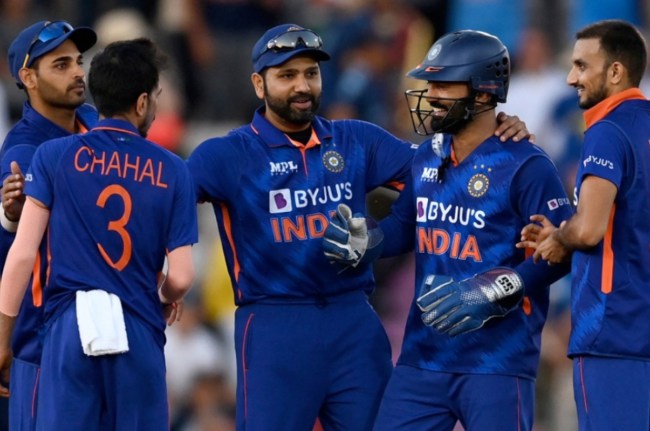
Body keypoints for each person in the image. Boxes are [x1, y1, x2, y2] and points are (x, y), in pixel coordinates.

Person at [187, 23, 531, 431]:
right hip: (275, 325)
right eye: (287, 75)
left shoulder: (354, 140)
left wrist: (492, 130)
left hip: (353, 320)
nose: (302, 86)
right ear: (258, 85)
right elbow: (164, 199)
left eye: (311, 73)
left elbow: (446, 171)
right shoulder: (227, 154)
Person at [324, 30, 573, 431]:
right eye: (430, 84)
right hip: (423, 355)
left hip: (497, 359)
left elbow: (560, 253)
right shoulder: (428, 154)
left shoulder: (528, 166)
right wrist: (369, 240)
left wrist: (493, 291)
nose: (431, 95)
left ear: (483, 92)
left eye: (443, 85)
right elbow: (406, 224)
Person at [0, 38, 198, 430]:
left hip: (68, 329)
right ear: (142, 103)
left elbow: (21, 255)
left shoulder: (54, 155)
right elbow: (182, 277)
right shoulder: (174, 168)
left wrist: (2, 338)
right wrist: (163, 296)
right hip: (138, 324)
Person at [517, 20, 650, 431]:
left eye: (581, 66)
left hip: (613, 334)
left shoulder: (606, 130)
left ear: (615, 71)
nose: (571, 78)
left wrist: (560, 237)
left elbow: (590, 229)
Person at [0, 20, 98, 431]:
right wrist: (12, 214)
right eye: (61, 65)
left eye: (77, 62)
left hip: (103, 324)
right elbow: (15, 230)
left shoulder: (94, 120)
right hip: (44, 335)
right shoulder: (23, 150)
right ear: (29, 78)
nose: (77, 72)